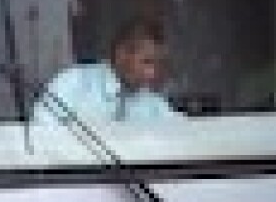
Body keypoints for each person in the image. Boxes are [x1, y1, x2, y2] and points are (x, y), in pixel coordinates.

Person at [34, 15, 179, 124]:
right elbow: (40, 137)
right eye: (147, 62)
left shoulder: (153, 104)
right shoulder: (73, 84)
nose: (151, 74)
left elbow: (185, 134)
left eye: (157, 65)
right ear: (121, 54)